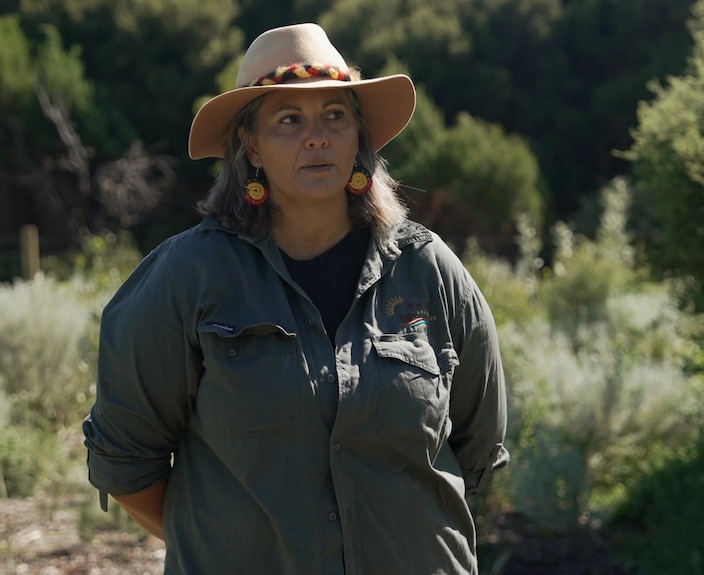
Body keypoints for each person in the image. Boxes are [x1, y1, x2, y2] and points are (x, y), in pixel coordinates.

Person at [83, 23, 509, 575]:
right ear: (250, 145)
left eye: (335, 115)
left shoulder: (429, 271)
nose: (317, 136)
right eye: (289, 120)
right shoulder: (187, 278)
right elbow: (125, 462)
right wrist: (224, 544)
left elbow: (476, 452)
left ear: (359, 135)